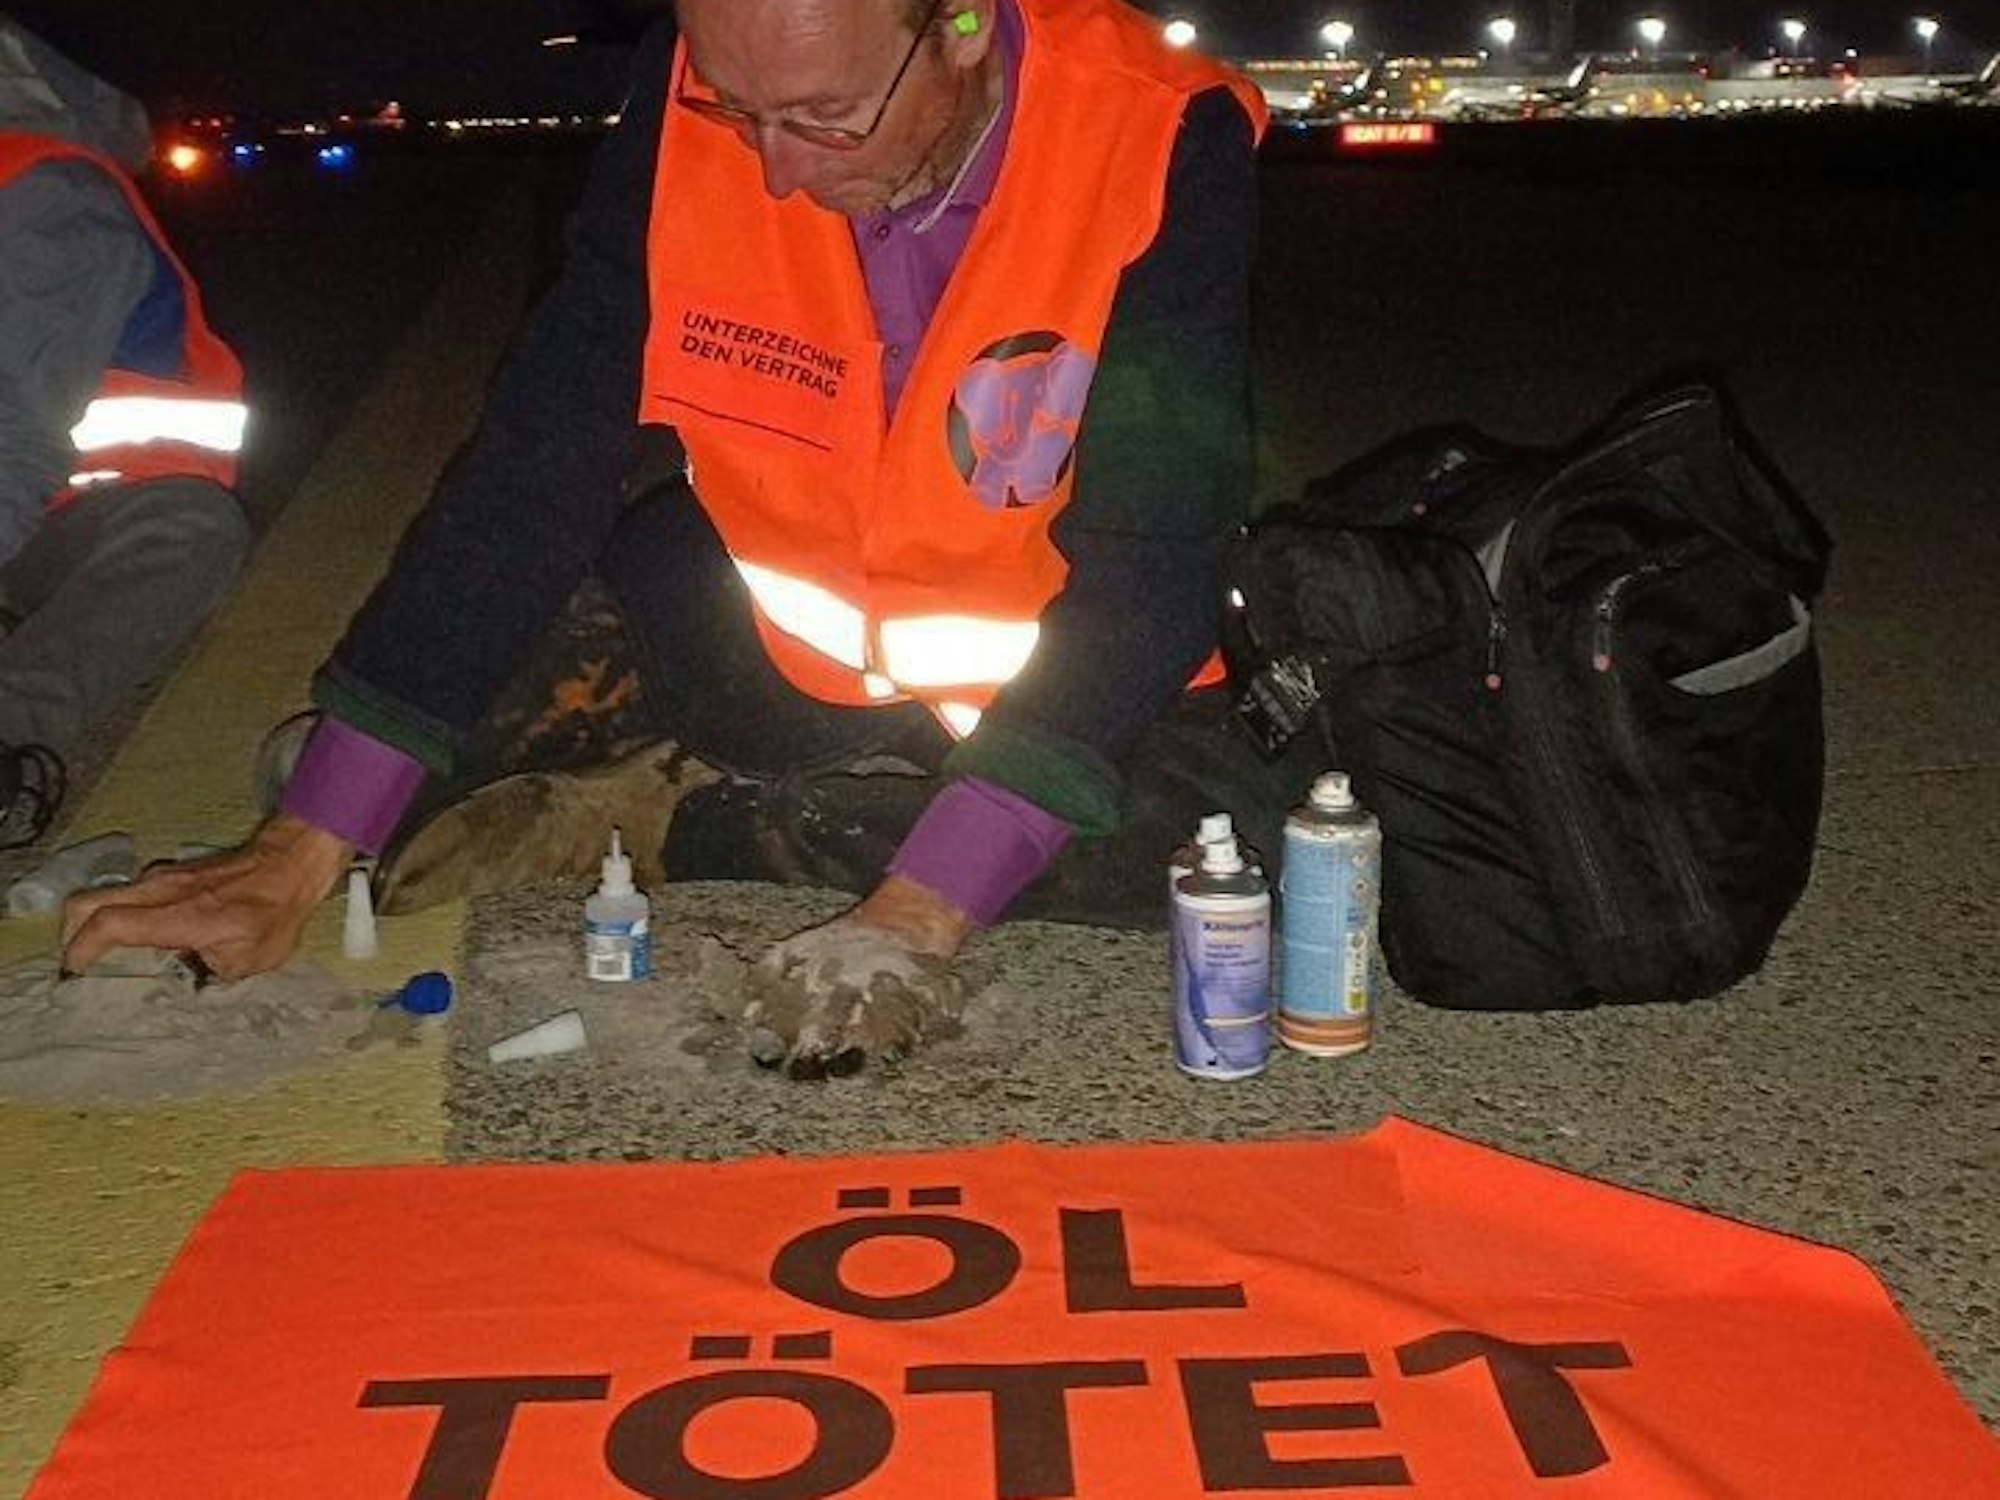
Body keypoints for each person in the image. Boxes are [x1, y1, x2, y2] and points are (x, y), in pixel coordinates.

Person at [65, 0, 1310, 1076]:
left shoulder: (1152, 134)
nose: (774, 172)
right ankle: (644, 794)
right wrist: (295, 849)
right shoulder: (689, 104)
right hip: (764, 643)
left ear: (966, 26)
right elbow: (535, 466)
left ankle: (671, 823)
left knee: (1208, 862)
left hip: (1059, 681)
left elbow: (1153, 560)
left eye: (824, 117)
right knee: (363, 753)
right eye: (739, 111)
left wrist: (917, 913)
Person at [0, 15, 250, 848]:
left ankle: (12, 726)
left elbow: (14, 447)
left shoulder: (43, 200)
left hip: (74, 516)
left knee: (188, 531)